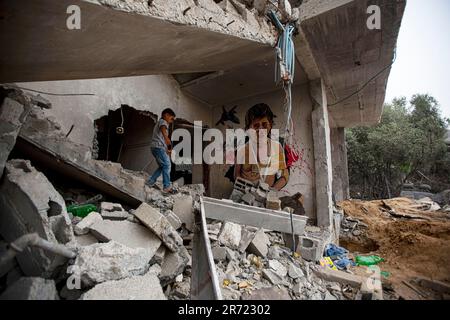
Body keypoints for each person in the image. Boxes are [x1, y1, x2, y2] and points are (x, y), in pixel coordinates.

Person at [234, 103, 289, 191]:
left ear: (270, 125)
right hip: (244, 196)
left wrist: (273, 190)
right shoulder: (242, 150)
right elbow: (236, 175)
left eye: (264, 124)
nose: (261, 129)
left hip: (267, 198)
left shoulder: (276, 147)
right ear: (248, 129)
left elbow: (284, 174)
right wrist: (245, 190)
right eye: (256, 126)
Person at [146, 108, 177, 194]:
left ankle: (150, 182)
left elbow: (162, 137)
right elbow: (164, 134)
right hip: (158, 147)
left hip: (157, 147)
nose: (171, 121)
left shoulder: (160, 122)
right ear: (166, 115)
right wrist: (168, 144)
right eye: (171, 119)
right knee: (167, 165)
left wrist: (167, 149)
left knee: (162, 166)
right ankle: (166, 187)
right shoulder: (163, 122)